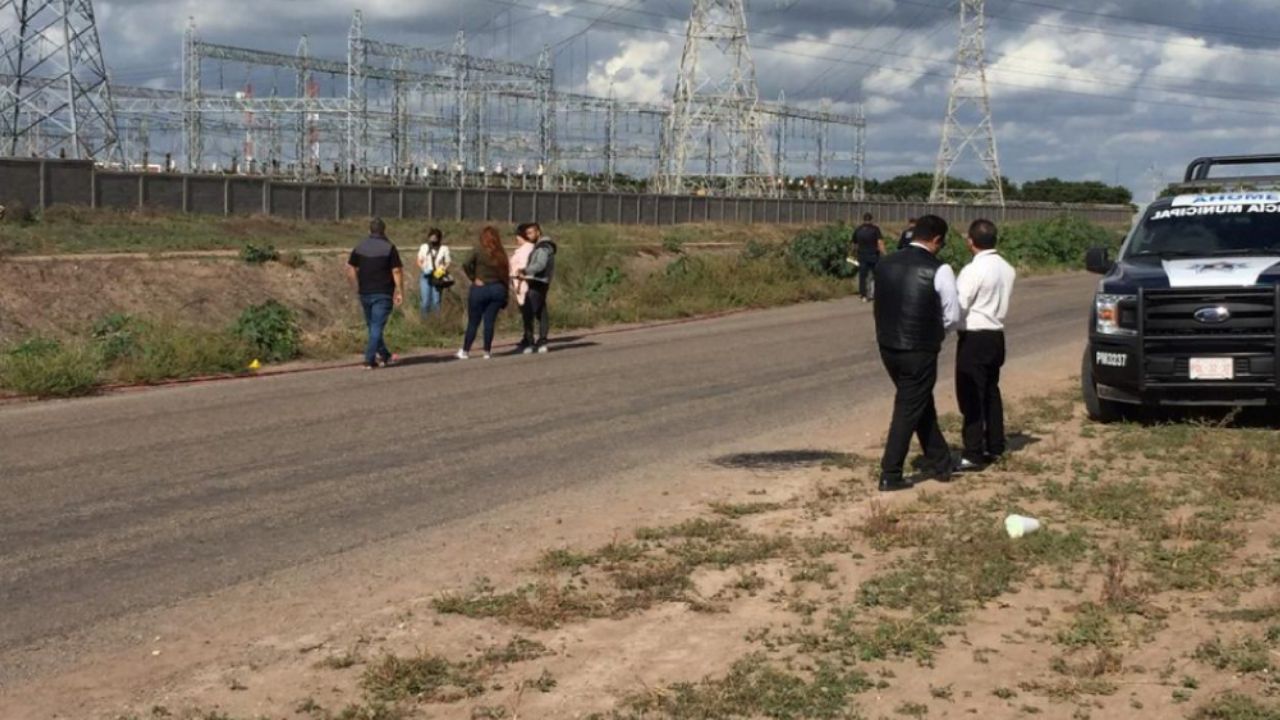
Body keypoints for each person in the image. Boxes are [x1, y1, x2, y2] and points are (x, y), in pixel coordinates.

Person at [872, 214, 961, 492]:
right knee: (908, 408)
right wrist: (936, 333)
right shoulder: (939, 269)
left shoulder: (885, 264)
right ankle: (891, 472)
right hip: (919, 349)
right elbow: (952, 315)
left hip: (888, 347)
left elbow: (880, 301)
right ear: (937, 240)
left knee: (919, 402)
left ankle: (941, 461)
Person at [954, 219, 1016, 472]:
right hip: (996, 334)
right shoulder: (1007, 268)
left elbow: (960, 303)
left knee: (971, 395)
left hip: (975, 336)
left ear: (971, 241)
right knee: (991, 391)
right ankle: (995, 444)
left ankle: (973, 452)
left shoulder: (973, 270)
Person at [347, 217, 405, 370]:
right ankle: (369, 359)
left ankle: (385, 355)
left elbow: (350, 267)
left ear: (369, 231)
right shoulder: (389, 247)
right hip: (383, 293)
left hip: (365, 292)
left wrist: (356, 285)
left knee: (372, 326)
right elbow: (396, 270)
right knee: (376, 327)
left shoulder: (360, 247)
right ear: (384, 231)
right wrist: (399, 290)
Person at [457, 226, 511, 360]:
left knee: (473, 321)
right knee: (489, 321)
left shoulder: (478, 250)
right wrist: (506, 293)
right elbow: (506, 274)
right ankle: (487, 351)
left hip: (480, 288)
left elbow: (465, 264)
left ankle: (465, 351)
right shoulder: (501, 253)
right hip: (498, 288)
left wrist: (473, 277)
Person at [518, 223, 558, 354]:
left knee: (529, 313)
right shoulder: (542, 246)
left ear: (538, 232)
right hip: (540, 281)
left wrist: (525, 271)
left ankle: (530, 342)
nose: (528, 236)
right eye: (527, 234)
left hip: (538, 282)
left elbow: (540, 265)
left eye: (531, 233)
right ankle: (542, 341)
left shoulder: (542, 248)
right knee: (541, 312)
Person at [510, 223, 537, 354]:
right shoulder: (523, 249)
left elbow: (523, 268)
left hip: (523, 283)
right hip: (518, 283)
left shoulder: (527, 249)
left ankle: (529, 339)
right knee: (525, 313)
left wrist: (519, 283)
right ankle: (526, 337)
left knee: (527, 313)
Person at [416, 228, 451, 316]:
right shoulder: (424, 247)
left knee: (436, 301)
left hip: (438, 276)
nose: (433, 240)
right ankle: (424, 320)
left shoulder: (444, 249)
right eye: (431, 238)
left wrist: (441, 270)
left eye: (435, 238)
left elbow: (448, 261)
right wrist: (423, 269)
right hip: (426, 275)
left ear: (439, 238)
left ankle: (436, 321)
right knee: (425, 301)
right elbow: (419, 260)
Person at [851, 213, 885, 302]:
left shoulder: (858, 230)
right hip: (873, 255)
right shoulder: (875, 229)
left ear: (863, 219)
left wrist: (852, 255)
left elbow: (854, 244)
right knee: (875, 275)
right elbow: (880, 243)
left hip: (861, 256)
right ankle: (874, 293)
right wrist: (884, 254)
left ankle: (863, 295)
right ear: (871, 219)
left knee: (862, 276)